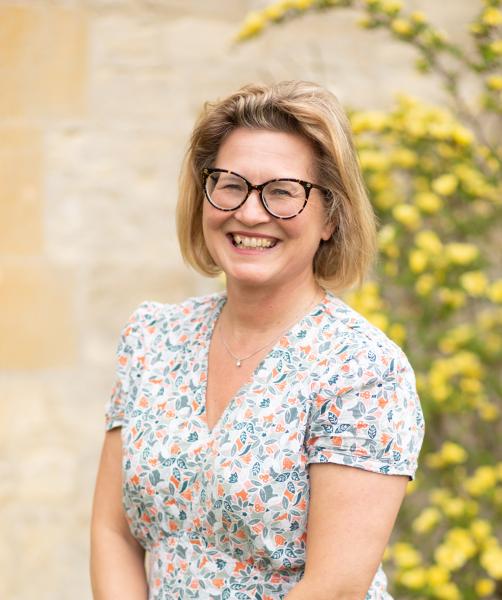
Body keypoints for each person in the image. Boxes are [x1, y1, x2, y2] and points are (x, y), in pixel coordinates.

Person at [90, 80, 425, 600]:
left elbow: (333, 588)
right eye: (230, 184)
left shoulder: (362, 369)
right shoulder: (153, 338)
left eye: (282, 192)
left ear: (331, 217)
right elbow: (113, 533)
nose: (249, 213)